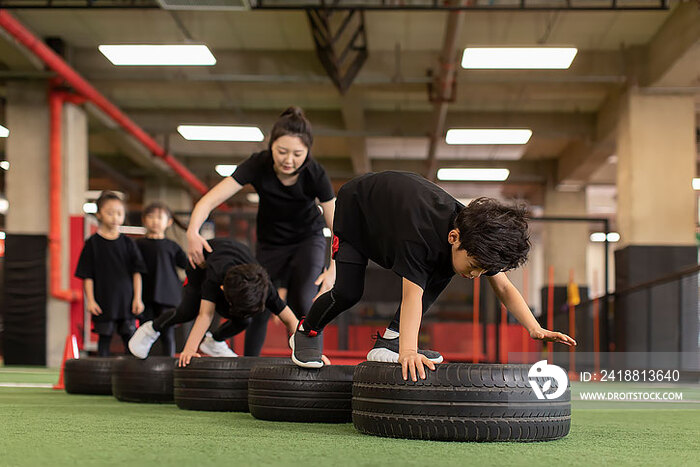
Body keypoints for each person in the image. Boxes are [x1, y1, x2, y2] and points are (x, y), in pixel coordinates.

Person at [290, 171, 577, 381]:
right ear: (454, 237)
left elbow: (503, 287)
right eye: (475, 265)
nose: (477, 275)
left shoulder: (477, 236)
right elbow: (412, 294)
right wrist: (409, 352)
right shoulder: (421, 238)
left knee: (448, 267)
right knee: (348, 291)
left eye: (482, 270)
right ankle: (306, 331)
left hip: (393, 224)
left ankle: (391, 339)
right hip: (357, 213)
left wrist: (534, 328)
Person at [186, 106, 336, 356]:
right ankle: (251, 367)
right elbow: (209, 200)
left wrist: (333, 270)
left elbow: (337, 226)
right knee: (260, 304)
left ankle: (310, 360)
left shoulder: (315, 174)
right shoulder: (258, 164)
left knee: (303, 299)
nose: (289, 160)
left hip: (308, 239)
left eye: (298, 153)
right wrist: (193, 231)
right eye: (282, 152)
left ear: (308, 151)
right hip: (271, 244)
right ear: (271, 146)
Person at [128, 238, 302, 365]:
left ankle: (214, 342)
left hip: (235, 265)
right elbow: (206, 315)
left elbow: (291, 320)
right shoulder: (214, 277)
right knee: (187, 311)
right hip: (200, 264)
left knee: (244, 320)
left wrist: (305, 351)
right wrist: (190, 349)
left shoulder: (265, 286)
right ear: (222, 290)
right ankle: (151, 329)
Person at [75, 191, 147, 357]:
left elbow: (137, 273)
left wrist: (137, 298)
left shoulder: (128, 243)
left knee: (129, 338)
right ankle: (103, 375)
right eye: (110, 213)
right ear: (99, 215)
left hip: (126, 300)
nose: (115, 217)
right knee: (104, 338)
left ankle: (131, 374)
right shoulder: (92, 243)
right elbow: (87, 275)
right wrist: (91, 301)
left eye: (119, 213)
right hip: (103, 300)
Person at [135, 202, 188, 356]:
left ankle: (169, 365)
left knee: (167, 332)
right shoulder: (138, 245)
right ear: (144, 220)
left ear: (169, 222)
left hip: (168, 296)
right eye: (151, 217)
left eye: (159, 217)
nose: (155, 221)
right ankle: (143, 365)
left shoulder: (172, 246)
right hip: (146, 295)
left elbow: (186, 265)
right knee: (145, 333)